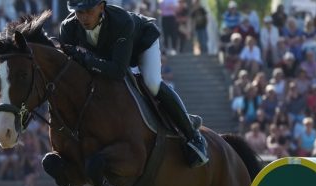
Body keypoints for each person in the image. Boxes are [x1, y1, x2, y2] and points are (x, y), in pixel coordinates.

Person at [59, 0, 208, 167]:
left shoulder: (121, 21)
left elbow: (118, 71)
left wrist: (86, 59)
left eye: (88, 11)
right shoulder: (68, 27)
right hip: (109, 55)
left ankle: (192, 135)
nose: (84, 17)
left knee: (151, 83)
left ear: (101, 6)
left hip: (141, 45)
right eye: (79, 12)